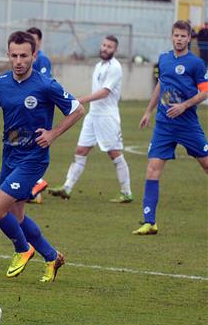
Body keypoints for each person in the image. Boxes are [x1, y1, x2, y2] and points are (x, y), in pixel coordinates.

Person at [0, 31, 84, 282]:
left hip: (33, 159)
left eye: (24, 55)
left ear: (34, 56)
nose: (18, 61)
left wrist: (53, 133)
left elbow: (77, 109)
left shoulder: (46, 84)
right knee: (17, 216)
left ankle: (23, 249)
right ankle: (52, 256)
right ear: (8, 55)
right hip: (10, 155)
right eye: (14, 55)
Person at [133, 20, 208, 235]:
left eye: (183, 36)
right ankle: (149, 221)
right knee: (152, 169)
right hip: (164, 125)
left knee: (206, 165)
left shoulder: (196, 64)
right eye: (176, 35)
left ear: (189, 38)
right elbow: (161, 85)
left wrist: (184, 106)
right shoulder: (164, 59)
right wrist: (148, 111)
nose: (179, 39)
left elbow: (204, 92)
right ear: (171, 36)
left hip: (187, 125)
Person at [48, 35, 133, 203]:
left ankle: (127, 192)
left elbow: (105, 92)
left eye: (109, 46)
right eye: (103, 45)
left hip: (107, 117)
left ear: (115, 50)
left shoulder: (115, 67)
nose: (105, 48)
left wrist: (81, 99)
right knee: (80, 151)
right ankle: (67, 188)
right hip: (93, 116)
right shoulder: (99, 66)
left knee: (114, 153)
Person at [26, 27, 52, 204]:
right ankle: (33, 191)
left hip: (38, 113)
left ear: (40, 42)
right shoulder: (26, 58)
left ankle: (37, 182)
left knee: (32, 148)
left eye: (34, 40)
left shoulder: (42, 60)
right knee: (26, 147)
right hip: (26, 111)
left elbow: (44, 85)